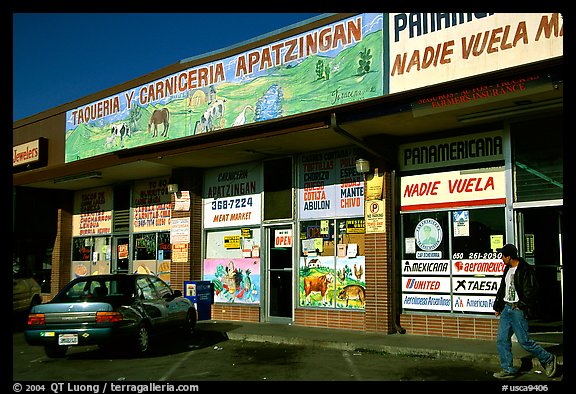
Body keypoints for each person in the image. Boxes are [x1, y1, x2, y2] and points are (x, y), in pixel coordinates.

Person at [492, 243, 557, 379]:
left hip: (517, 310)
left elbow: (532, 290)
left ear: (509, 257)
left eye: (503, 256)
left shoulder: (525, 269)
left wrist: (521, 305)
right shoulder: (507, 269)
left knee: (524, 341)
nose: (501, 259)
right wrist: (498, 306)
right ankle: (508, 369)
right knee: (502, 340)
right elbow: (502, 289)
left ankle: (548, 358)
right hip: (506, 309)